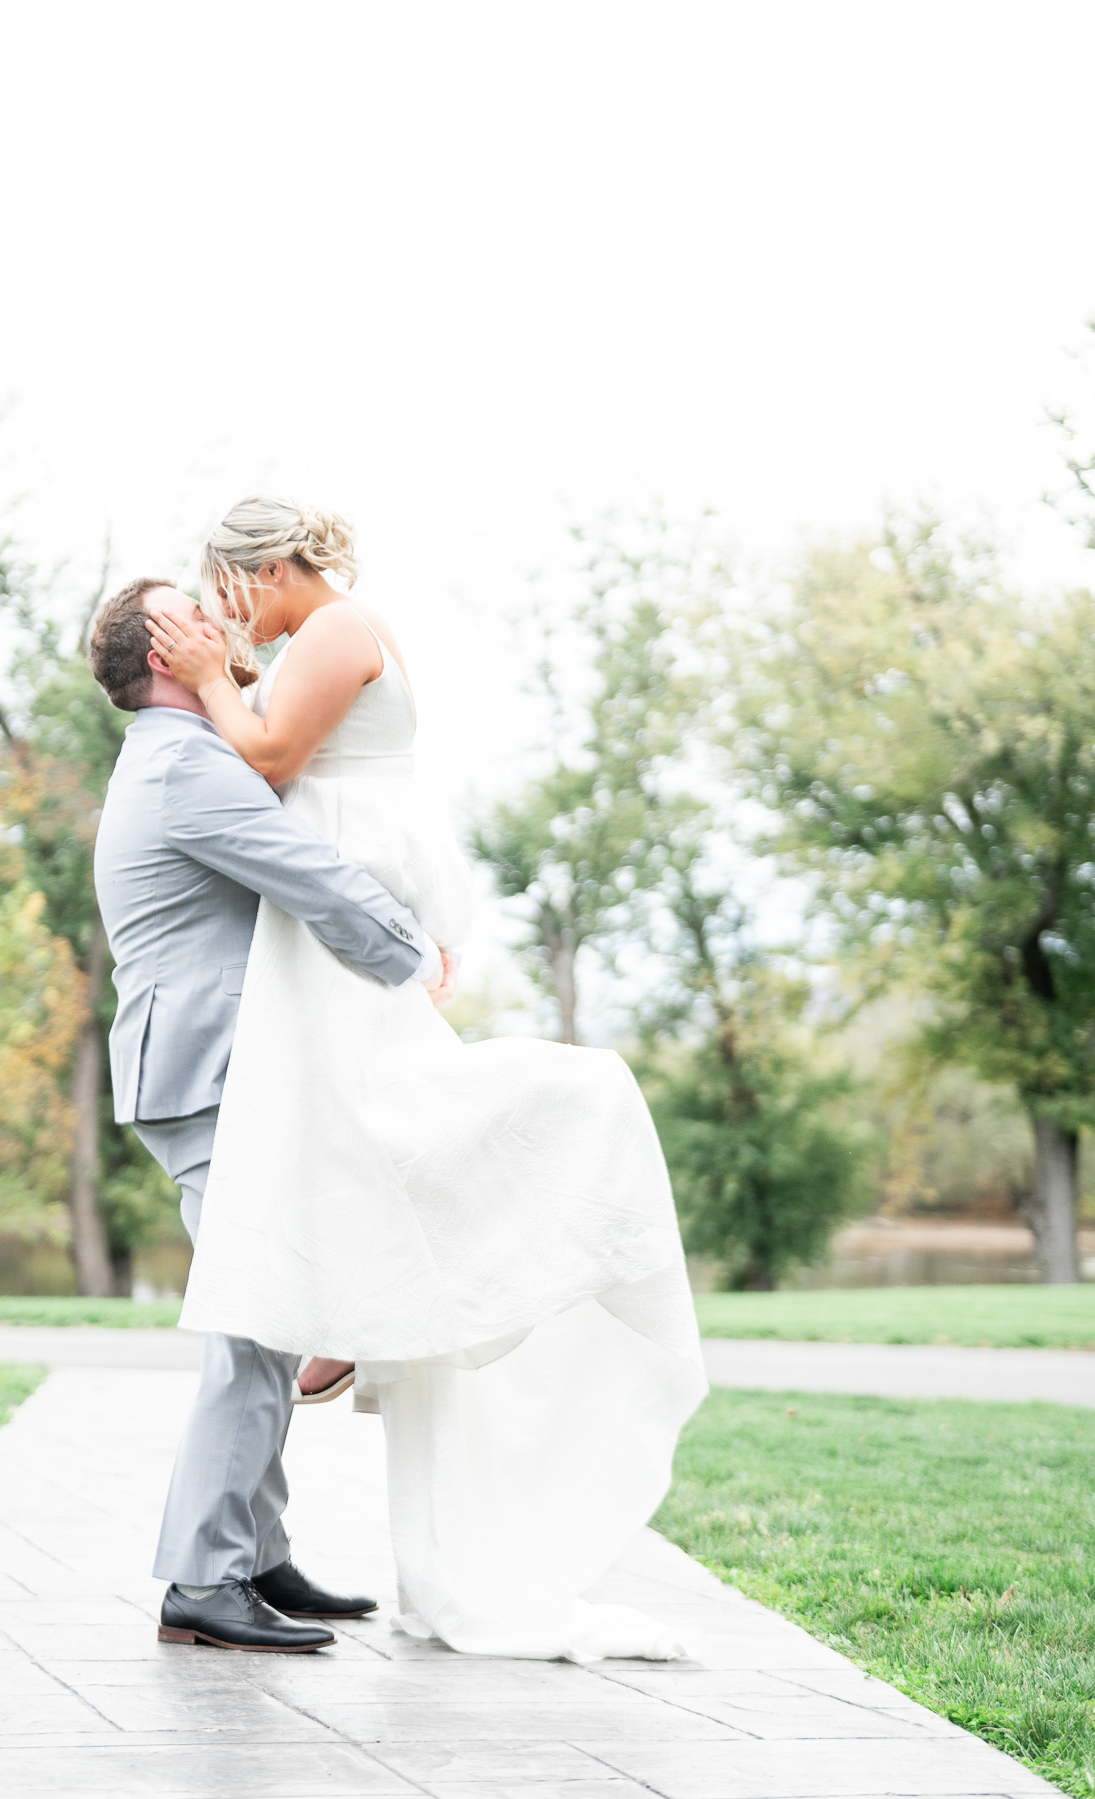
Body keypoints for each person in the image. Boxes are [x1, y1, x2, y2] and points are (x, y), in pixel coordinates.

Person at [143, 495, 709, 1663]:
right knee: (316, 1179)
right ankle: (346, 1320)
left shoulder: (341, 629)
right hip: (328, 926)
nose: (228, 616)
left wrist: (208, 674)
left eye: (230, 588)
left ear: (272, 567)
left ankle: (364, 1305)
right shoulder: (305, 648)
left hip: (343, 918)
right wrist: (223, 672)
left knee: (390, 1126)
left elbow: (268, 752)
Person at [89, 576, 457, 1653]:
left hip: (207, 1063)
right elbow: (304, 873)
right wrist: (411, 950)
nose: (226, 618)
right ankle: (204, 1576)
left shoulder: (184, 755)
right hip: (205, 1068)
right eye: (194, 608)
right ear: (165, 649)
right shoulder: (187, 764)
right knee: (257, 1322)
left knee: (277, 1307)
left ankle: (254, 1550)